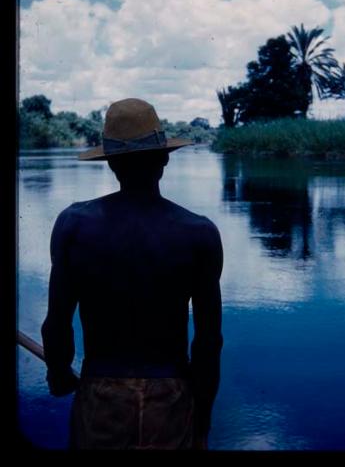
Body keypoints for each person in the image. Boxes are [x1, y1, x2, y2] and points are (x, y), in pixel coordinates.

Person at [41, 98, 223, 450]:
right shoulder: (198, 232)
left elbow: (57, 323)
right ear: (165, 158)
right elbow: (208, 342)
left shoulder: (73, 224)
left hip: (100, 396)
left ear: (110, 163)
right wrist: (202, 415)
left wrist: (59, 372)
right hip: (170, 398)